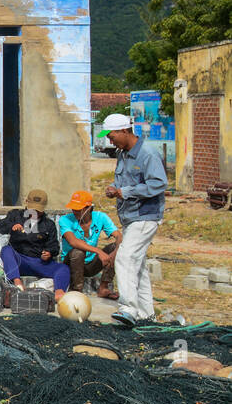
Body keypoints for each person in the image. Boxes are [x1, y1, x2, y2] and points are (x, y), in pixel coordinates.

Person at [100, 113, 167, 326]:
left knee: (124, 258)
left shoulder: (147, 154)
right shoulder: (122, 154)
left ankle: (128, 308)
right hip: (130, 217)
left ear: (125, 131)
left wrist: (125, 192)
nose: (110, 140)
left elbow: (159, 184)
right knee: (137, 267)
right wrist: (115, 190)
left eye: (111, 136)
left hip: (145, 216)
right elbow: (124, 184)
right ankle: (147, 315)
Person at [0, 188, 70, 297]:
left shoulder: (48, 224)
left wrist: (49, 253)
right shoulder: (15, 215)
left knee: (63, 268)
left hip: (38, 262)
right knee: (6, 250)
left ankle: (59, 293)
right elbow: (0, 227)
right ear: (27, 203)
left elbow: (54, 246)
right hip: (19, 260)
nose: (34, 212)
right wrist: (11, 226)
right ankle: (17, 284)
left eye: (38, 210)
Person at [58, 190, 118, 298]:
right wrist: (98, 251)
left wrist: (115, 251)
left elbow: (119, 236)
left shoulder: (100, 217)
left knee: (115, 248)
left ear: (88, 208)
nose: (74, 211)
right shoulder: (65, 219)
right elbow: (73, 241)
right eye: (73, 208)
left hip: (91, 264)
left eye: (78, 209)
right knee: (78, 252)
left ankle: (104, 287)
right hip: (71, 263)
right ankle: (76, 291)